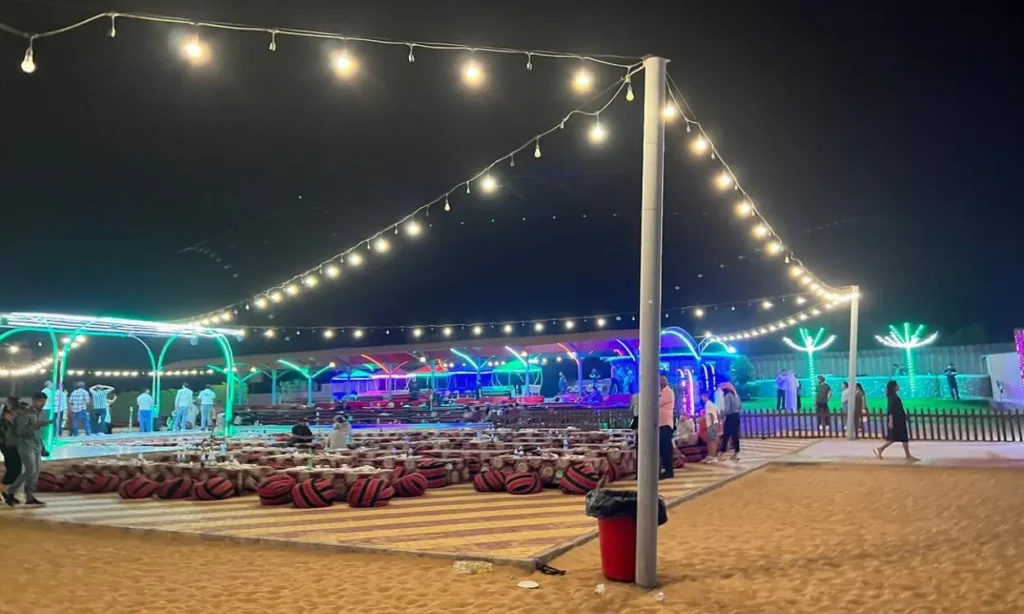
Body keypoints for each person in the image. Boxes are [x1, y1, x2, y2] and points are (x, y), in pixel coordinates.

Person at [5, 392, 53, 506]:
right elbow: (20, 431)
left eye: (44, 402)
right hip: (26, 445)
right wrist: (37, 425)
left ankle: (30, 497)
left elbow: (38, 433)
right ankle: (10, 491)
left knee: (35, 472)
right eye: (40, 401)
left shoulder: (37, 413)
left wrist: (43, 446)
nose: (42, 404)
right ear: (34, 400)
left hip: (36, 445)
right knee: (30, 470)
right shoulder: (25, 413)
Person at [874, 380, 918, 461]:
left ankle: (907, 455)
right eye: (897, 385)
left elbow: (899, 409)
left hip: (900, 419)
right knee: (895, 437)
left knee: (901, 437)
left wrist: (906, 418)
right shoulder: (892, 397)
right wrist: (891, 421)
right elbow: (890, 409)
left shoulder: (894, 396)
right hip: (896, 420)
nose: (898, 386)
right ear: (893, 387)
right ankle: (881, 449)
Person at [1, 400, 22, 495]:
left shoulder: (11, 422)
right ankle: (4, 490)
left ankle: (7, 491)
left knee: (16, 469)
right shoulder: (3, 423)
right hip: (7, 447)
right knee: (13, 469)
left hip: (12, 447)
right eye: (16, 412)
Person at [657, 375, 676, 479]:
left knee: (666, 449)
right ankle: (664, 470)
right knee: (661, 449)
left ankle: (669, 471)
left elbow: (657, 403)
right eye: (660, 380)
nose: (661, 382)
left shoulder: (668, 392)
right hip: (660, 424)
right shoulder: (660, 392)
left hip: (665, 424)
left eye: (663, 380)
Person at [718, 383, 742, 461]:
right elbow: (740, 407)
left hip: (730, 417)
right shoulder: (736, 396)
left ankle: (721, 453)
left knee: (726, 435)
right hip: (737, 416)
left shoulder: (727, 396)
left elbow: (727, 409)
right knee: (735, 435)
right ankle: (736, 453)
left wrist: (720, 416)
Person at [701, 390, 721, 462]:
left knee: (712, 441)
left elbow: (711, 415)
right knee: (710, 440)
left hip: (711, 424)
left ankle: (713, 456)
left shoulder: (708, 404)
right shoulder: (712, 404)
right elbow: (718, 414)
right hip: (712, 424)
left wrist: (713, 424)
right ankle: (710, 456)